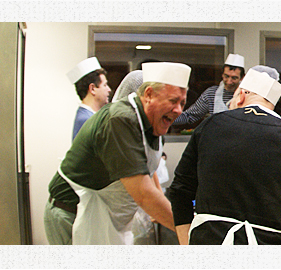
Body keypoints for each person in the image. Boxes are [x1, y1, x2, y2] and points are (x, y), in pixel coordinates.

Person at [166, 68, 281, 245]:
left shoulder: (211, 125)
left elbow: (180, 190)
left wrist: (186, 244)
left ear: (241, 96)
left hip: (210, 241)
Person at [44, 62, 190, 245]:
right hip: (72, 214)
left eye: (182, 103)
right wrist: (190, 233)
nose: (178, 110)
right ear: (149, 94)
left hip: (106, 217)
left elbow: (148, 171)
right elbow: (144, 194)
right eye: (172, 100)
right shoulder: (120, 120)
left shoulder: (153, 127)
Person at [172, 53, 245, 128]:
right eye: (226, 76)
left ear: (242, 77)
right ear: (222, 74)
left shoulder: (247, 95)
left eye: (234, 78)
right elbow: (189, 116)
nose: (229, 81)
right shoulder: (211, 94)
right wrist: (164, 118)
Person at [66, 57, 111, 140]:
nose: (109, 90)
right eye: (105, 85)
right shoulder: (86, 120)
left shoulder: (89, 116)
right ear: (92, 89)